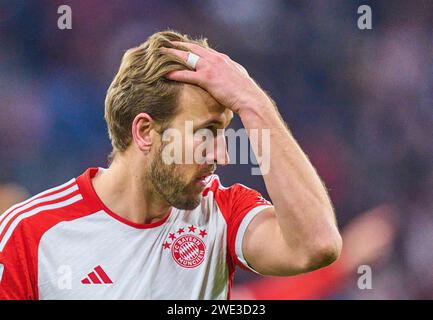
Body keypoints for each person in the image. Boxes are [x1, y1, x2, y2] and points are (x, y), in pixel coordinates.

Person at [0, 30, 342, 299]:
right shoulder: (29, 233)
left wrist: (255, 103)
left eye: (223, 132)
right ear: (145, 131)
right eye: (205, 133)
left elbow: (316, 246)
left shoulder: (222, 213)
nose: (222, 155)